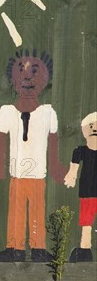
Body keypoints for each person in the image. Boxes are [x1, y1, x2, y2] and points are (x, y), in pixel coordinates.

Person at [0, 49, 66, 262]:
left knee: (37, 209)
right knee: (15, 209)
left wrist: (56, 168)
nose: (27, 77)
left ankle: (38, 248)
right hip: (16, 173)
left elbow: (53, 145)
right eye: (21, 71)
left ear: (45, 80)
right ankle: (14, 247)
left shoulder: (48, 113)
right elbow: (0, 142)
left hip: (38, 173)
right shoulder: (6, 111)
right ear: (13, 79)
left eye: (35, 72)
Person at [64, 112, 97, 262]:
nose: (94, 129)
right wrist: (71, 175)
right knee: (87, 222)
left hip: (88, 192)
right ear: (85, 130)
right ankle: (85, 249)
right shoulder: (81, 150)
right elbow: (74, 166)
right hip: (87, 192)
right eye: (91, 126)